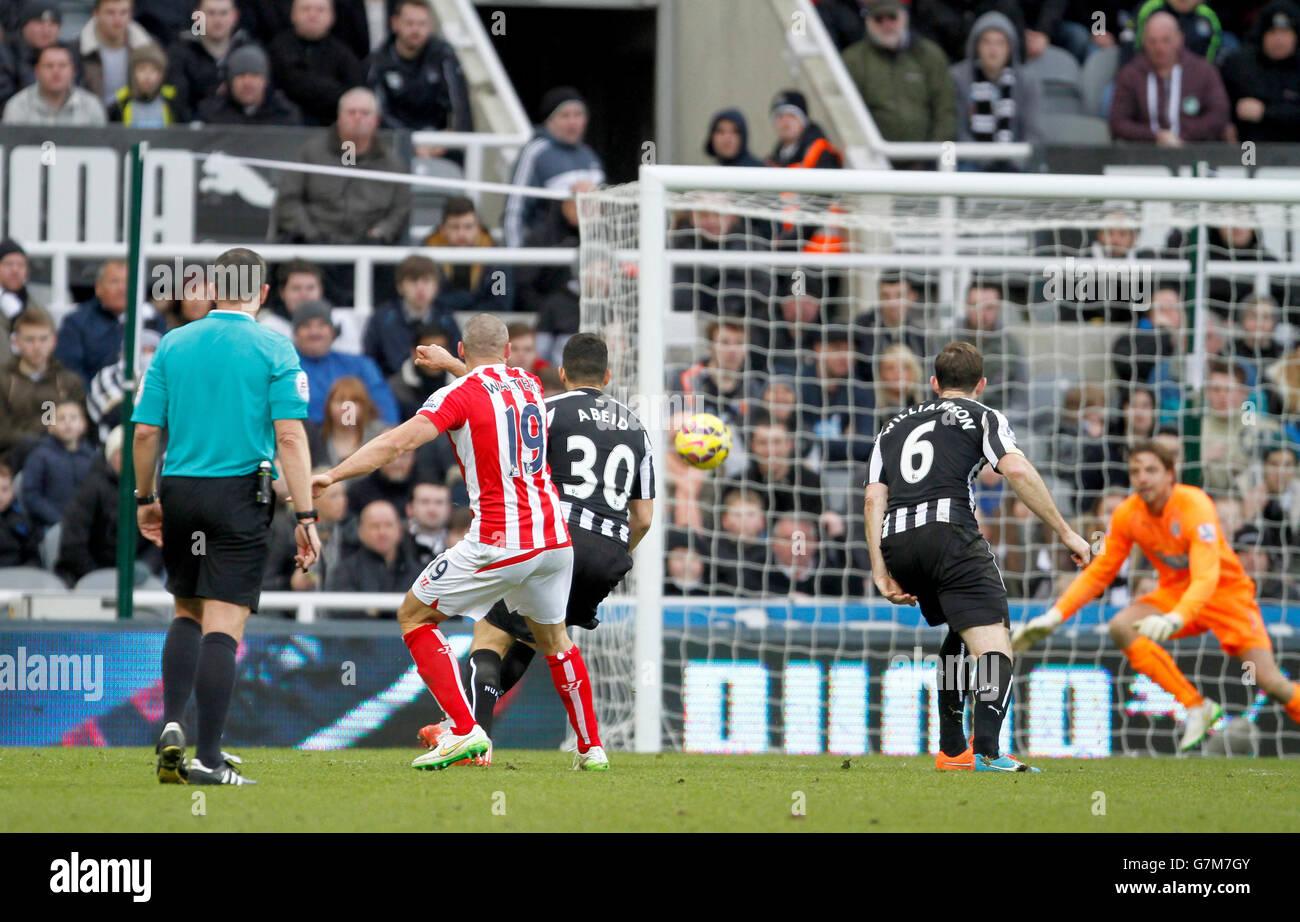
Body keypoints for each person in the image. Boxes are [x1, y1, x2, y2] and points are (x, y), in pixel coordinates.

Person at [309, 313, 606, 772]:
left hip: (500, 541)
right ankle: (591, 748)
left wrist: (332, 473)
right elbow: (489, 386)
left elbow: (396, 443)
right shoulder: (526, 383)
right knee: (555, 640)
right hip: (553, 540)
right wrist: (452, 363)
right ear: (509, 352)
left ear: (464, 351)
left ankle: (464, 731)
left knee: (414, 615)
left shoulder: (456, 396)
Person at [415, 332, 654, 762]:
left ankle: (474, 740)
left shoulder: (546, 411)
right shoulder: (637, 427)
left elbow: (499, 415)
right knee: (534, 637)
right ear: (608, 375)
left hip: (552, 540)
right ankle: (589, 746)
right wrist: (617, 552)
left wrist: (452, 365)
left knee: (490, 635)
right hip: (608, 555)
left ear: (562, 373)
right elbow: (644, 518)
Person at [133, 247, 319, 786]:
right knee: (225, 626)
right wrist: (306, 514)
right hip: (240, 494)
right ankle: (209, 758)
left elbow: (144, 433)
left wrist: (146, 499)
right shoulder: (274, 347)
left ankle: (171, 723)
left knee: (186, 612)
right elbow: (289, 435)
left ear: (213, 288)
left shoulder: (173, 343)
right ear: (263, 294)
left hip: (182, 490)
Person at [865, 341, 1090, 772]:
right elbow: (1018, 470)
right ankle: (987, 750)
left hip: (898, 544)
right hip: (949, 534)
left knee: (961, 632)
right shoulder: (984, 416)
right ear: (981, 385)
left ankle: (952, 751)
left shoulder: (891, 427)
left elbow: (874, 498)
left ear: (933, 384)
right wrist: (1067, 533)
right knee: (994, 643)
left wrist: (881, 570)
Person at [1013, 440, 1300, 749]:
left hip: (1227, 597)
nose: (1142, 478)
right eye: (1135, 471)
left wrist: (1178, 617)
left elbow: (1206, 576)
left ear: (1170, 474)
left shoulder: (1195, 505)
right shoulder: (1128, 514)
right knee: (1121, 626)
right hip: (1176, 594)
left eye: (1151, 470)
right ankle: (1196, 705)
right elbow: (1100, 572)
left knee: (1272, 682)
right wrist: (1055, 616)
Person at [272, 87, 410, 252]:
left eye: (365, 113)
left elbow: (400, 209)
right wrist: (310, 235)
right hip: (312, 249)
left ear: (377, 120)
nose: (358, 118)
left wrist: (378, 235)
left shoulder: (392, 164)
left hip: (371, 252)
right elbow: (289, 200)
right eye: (351, 112)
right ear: (339, 117)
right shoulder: (310, 154)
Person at [54, 425, 162, 585]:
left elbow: (159, 538)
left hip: (138, 579)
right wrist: (99, 576)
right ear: (111, 456)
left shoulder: (151, 491)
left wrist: (147, 565)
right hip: (88, 578)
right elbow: (72, 545)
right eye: (122, 453)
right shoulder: (90, 490)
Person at [841, 0, 956, 146]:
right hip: (875, 159)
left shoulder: (930, 55)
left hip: (926, 159)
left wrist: (932, 154)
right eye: (879, 19)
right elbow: (849, 114)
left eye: (892, 17)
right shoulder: (853, 60)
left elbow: (946, 111)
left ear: (904, 18)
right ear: (868, 22)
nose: (886, 24)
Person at [502, 86, 604, 249]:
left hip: (588, 254)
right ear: (549, 120)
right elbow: (515, 210)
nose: (573, 122)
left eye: (578, 115)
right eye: (565, 115)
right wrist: (517, 260)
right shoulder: (536, 152)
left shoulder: (589, 155)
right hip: (547, 253)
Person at [1109, 10, 1231, 145]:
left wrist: (1182, 136)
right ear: (1144, 41)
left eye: (1166, 40)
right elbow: (1118, 121)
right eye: (1152, 41)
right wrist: (1155, 136)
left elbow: (1219, 115)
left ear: (1179, 39)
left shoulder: (1203, 71)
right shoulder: (1131, 74)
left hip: (1194, 151)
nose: (1159, 48)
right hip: (1144, 153)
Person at [949, 11, 1043, 166]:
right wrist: (984, 159)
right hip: (971, 163)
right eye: (987, 42)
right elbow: (957, 131)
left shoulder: (1027, 80)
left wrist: (1015, 160)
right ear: (976, 45)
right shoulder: (958, 78)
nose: (993, 50)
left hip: (1016, 164)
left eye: (1000, 43)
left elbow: (1034, 131)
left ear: (1010, 47)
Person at [365, 0, 471, 136]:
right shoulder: (379, 61)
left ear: (430, 25)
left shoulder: (444, 55)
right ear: (395, 23)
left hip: (438, 141)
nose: (416, 30)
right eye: (409, 23)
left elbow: (459, 106)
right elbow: (379, 112)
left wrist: (446, 141)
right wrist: (409, 141)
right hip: (395, 143)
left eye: (422, 24)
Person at [55, 259, 166, 386]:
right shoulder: (77, 322)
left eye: (128, 282)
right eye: (114, 282)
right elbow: (70, 370)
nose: (122, 288)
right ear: (98, 288)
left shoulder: (153, 320)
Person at [0, 307, 84, 465]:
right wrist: (37, 436)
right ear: (16, 342)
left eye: (43, 339)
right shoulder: (3, 381)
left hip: (60, 461)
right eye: (29, 340)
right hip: (11, 462)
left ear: (54, 341)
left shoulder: (69, 381)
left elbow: (82, 428)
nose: (37, 346)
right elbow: (3, 433)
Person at [292, 299, 399, 424]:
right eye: (306, 326)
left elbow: (384, 404)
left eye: (321, 325)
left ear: (332, 332)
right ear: (296, 333)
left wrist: (388, 432)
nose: (315, 332)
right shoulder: (285, 369)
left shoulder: (360, 366)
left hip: (357, 437)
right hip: (305, 438)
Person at [363, 253, 461, 378]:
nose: (420, 288)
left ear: (436, 286)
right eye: (413, 281)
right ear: (400, 286)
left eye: (426, 281)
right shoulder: (382, 319)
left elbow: (458, 360)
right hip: (393, 391)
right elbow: (369, 362)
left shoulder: (447, 319)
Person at [266, 0, 363, 126]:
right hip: (285, 127)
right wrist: (331, 90)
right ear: (293, 15)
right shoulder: (278, 49)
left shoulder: (344, 55)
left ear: (332, 17)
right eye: (306, 9)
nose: (312, 15)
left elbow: (353, 94)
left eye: (320, 10)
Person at [323, 499, 424, 615]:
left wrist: (375, 610)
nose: (382, 532)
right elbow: (339, 612)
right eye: (375, 526)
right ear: (360, 532)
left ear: (400, 531)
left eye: (389, 525)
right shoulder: (344, 572)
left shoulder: (419, 574)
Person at [1219, 0, 1300, 144]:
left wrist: (1266, 113)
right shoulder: (1239, 65)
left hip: (1295, 152)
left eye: (1285, 32)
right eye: (1272, 32)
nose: (1278, 39)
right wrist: (1226, 124)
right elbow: (1218, 103)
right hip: (1248, 151)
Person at [421, 197, 513, 313]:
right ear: (442, 229)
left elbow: (500, 304)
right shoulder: (426, 254)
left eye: (468, 227)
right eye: (455, 227)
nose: (461, 234)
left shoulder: (496, 259)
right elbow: (423, 302)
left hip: (484, 326)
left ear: (478, 227)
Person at [164, 0, 256, 117]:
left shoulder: (249, 52)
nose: (218, 20)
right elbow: (179, 101)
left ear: (235, 16)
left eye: (223, 13)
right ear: (197, 17)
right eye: (211, 13)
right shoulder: (180, 53)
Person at [18, 398, 94, 534]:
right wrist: (58, 519)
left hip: (85, 526)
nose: (68, 423)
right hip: (50, 527)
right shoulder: (40, 455)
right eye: (61, 418)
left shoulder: (92, 457)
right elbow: (31, 495)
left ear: (83, 424)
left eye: (73, 417)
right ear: (50, 426)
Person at [79, 0, 161, 108]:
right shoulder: (78, 50)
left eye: (123, 12)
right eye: (110, 13)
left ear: (131, 14)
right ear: (96, 14)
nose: (117, 20)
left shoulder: (149, 49)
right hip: (92, 120)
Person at [195, 43, 301, 125]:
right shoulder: (211, 115)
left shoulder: (285, 116)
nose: (247, 83)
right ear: (230, 82)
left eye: (254, 75)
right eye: (241, 76)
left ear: (265, 81)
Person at [1, 43, 105, 125]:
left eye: (62, 65)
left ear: (73, 70)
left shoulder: (92, 106)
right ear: (37, 71)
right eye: (49, 66)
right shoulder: (18, 106)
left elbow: (102, 148)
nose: (56, 72)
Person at [106, 44, 188, 125]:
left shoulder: (172, 101)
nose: (147, 76)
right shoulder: (120, 102)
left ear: (162, 74)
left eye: (153, 70)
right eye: (142, 69)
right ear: (132, 72)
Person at [764, 89, 842, 168]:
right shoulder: (775, 158)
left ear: (803, 120)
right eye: (780, 116)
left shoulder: (821, 152)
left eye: (791, 115)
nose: (785, 121)